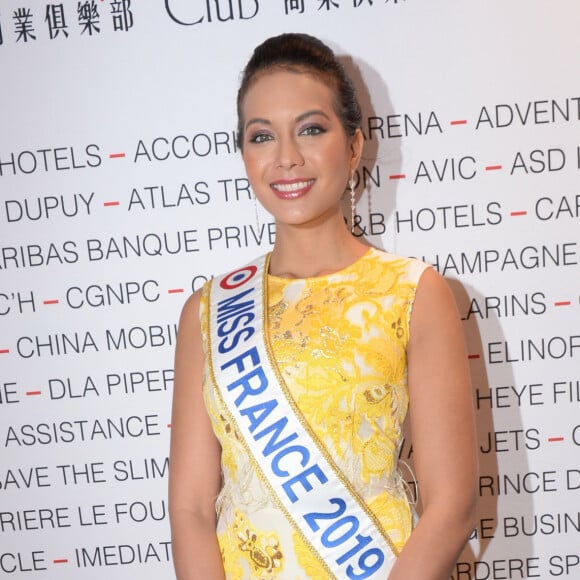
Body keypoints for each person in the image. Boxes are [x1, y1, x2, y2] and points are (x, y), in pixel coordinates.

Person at [169, 32, 478, 579]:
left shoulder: (413, 292)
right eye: (262, 136)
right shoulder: (207, 310)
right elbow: (190, 508)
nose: (287, 158)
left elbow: (451, 506)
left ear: (355, 146)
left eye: (311, 129)